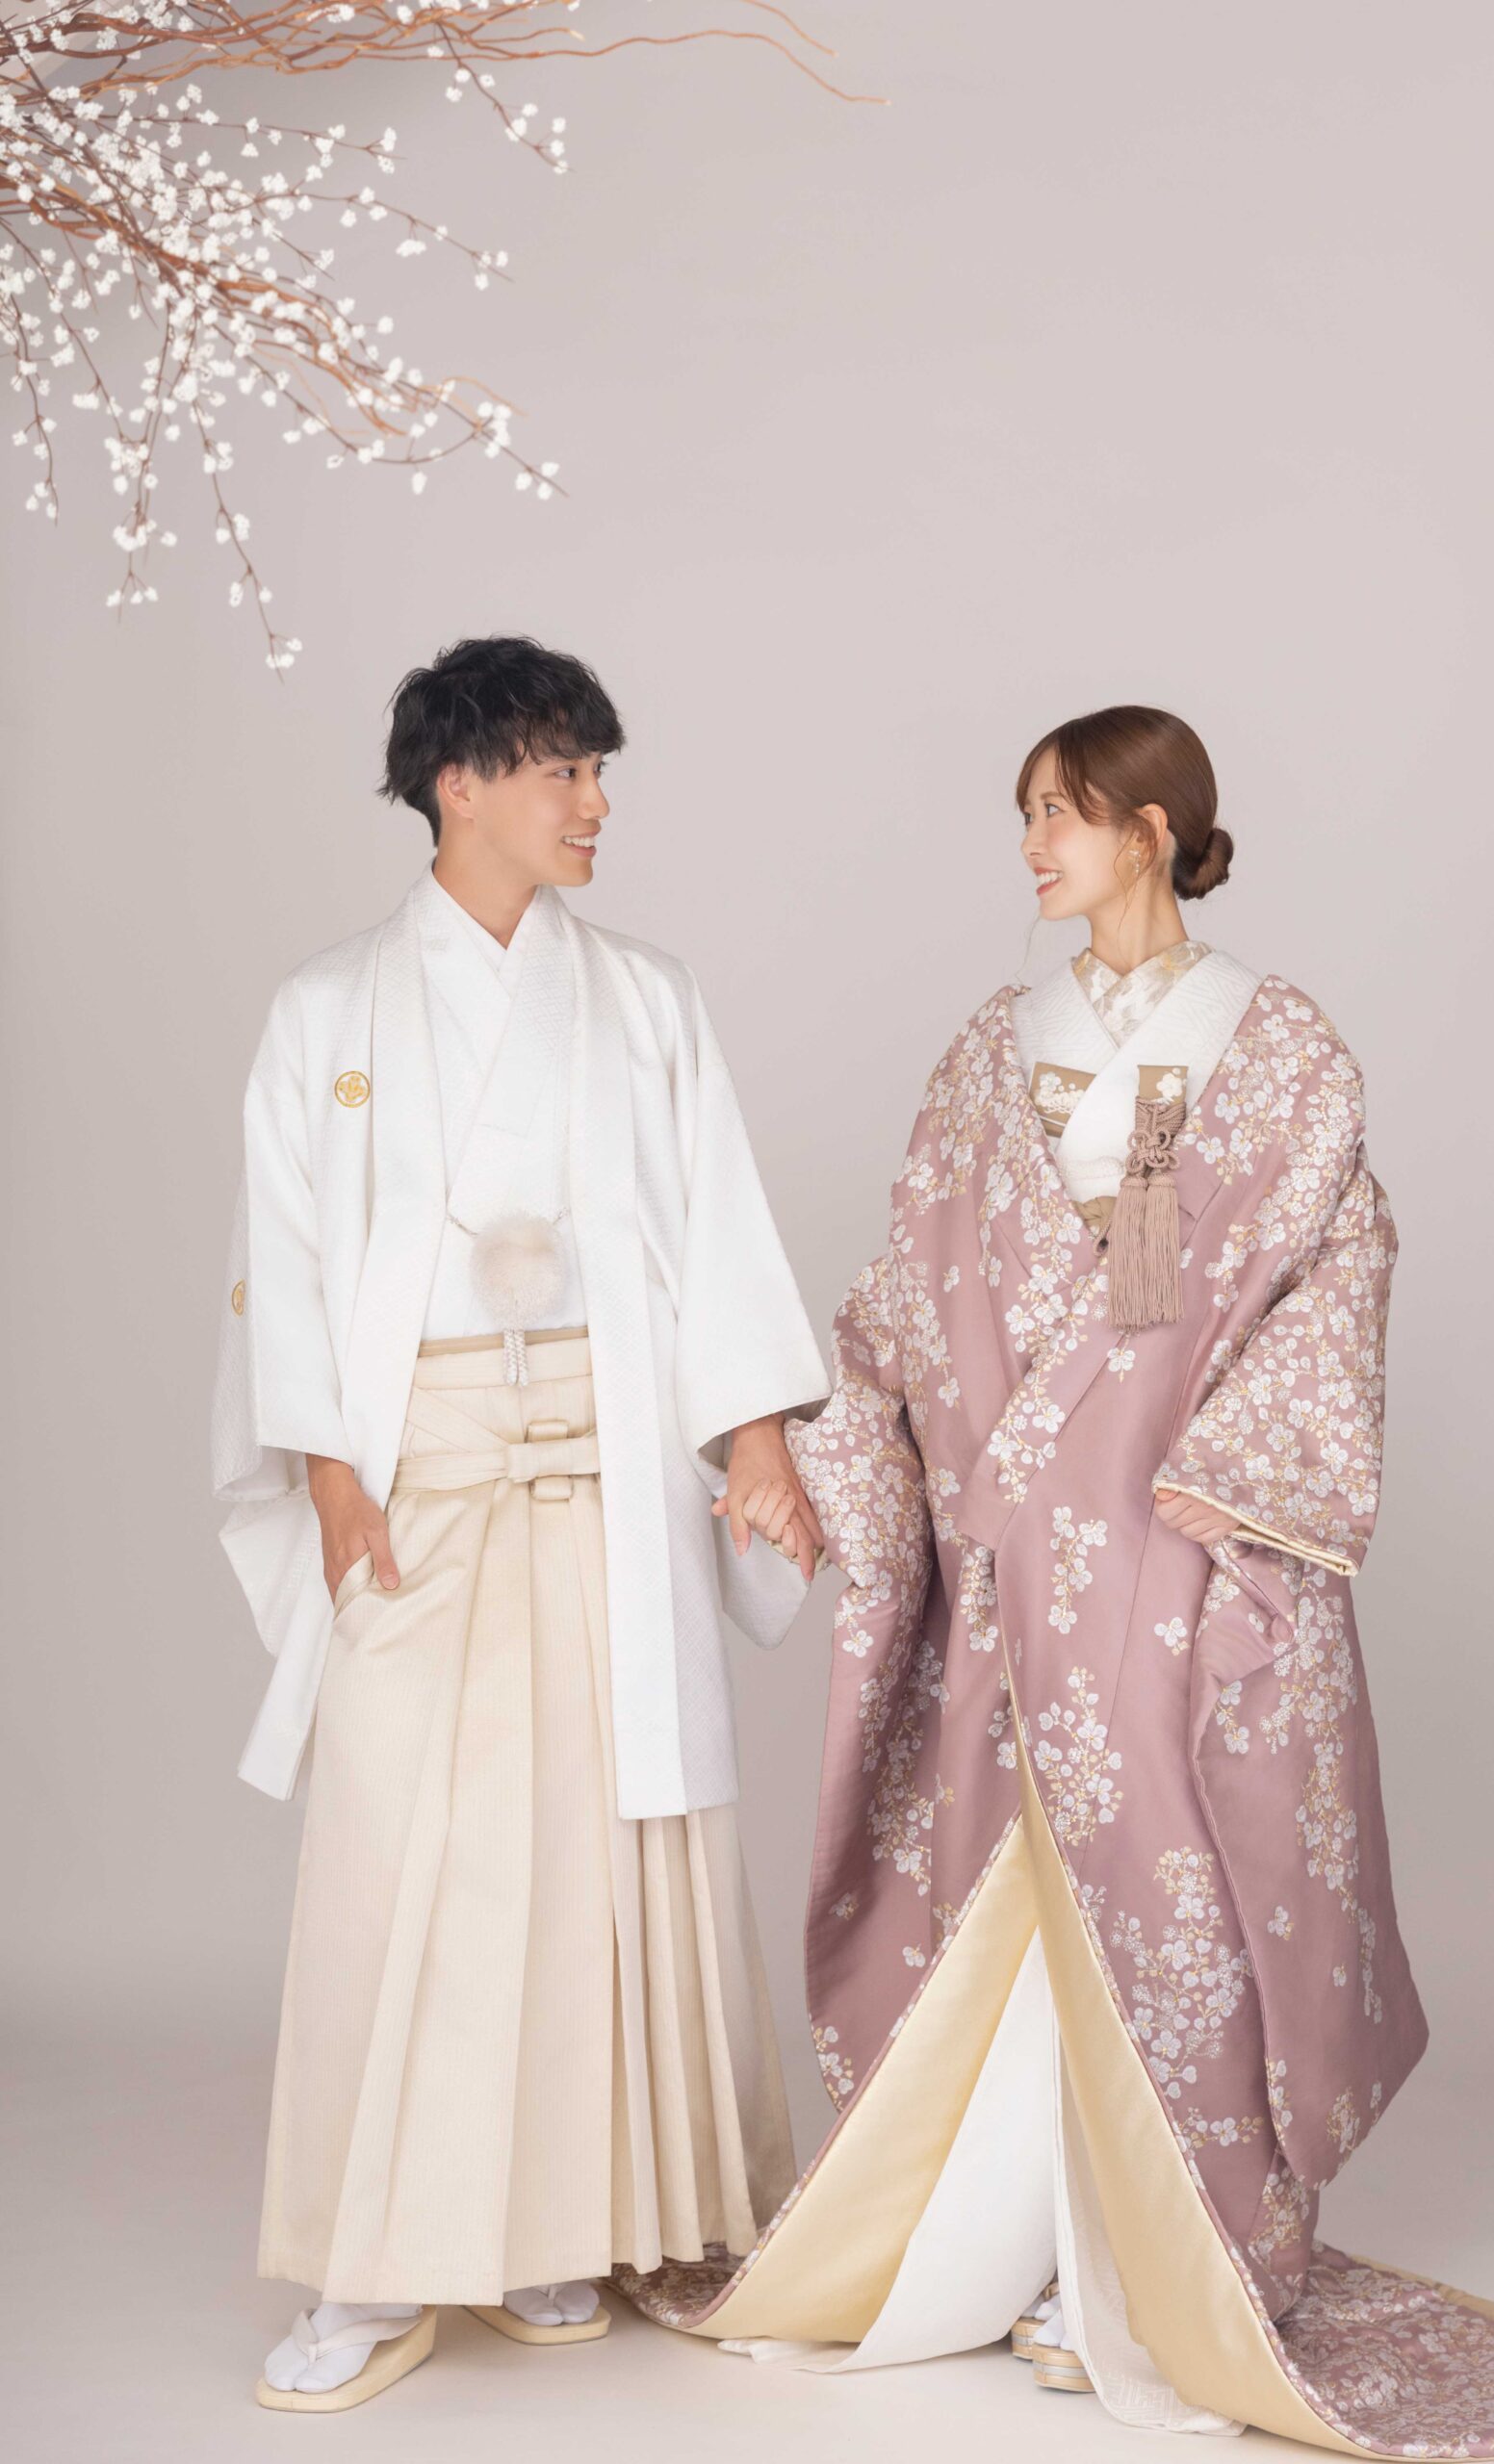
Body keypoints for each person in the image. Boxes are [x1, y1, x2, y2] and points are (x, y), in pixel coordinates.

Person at [612, 706, 1494, 2456]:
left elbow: (1339, 1272)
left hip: (1176, 1529)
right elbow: (910, 1288)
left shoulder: (1279, 1046)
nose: (1033, 847)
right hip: (1014, 1535)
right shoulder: (992, 1049)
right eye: (1026, 814)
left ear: (1152, 830)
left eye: (1062, 815)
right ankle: (1011, 2241)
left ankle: (1175, 2263)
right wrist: (827, 1460)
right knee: (1000, 1874)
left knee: (1185, 1886)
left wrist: (1221, 1484)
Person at [211, 636, 829, 2411]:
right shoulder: (329, 1009)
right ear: (460, 781)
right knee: (395, 1853)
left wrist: (756, 1437)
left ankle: (562, 2223)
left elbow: (717, 1225)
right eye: (565, 768)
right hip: (414, 1464)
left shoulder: (642, 996)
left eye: (596, 770)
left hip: (610, 1450)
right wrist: (331, 1471)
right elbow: (284, 1254)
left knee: (588, 1847)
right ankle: (367, 2263)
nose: (596, 803)